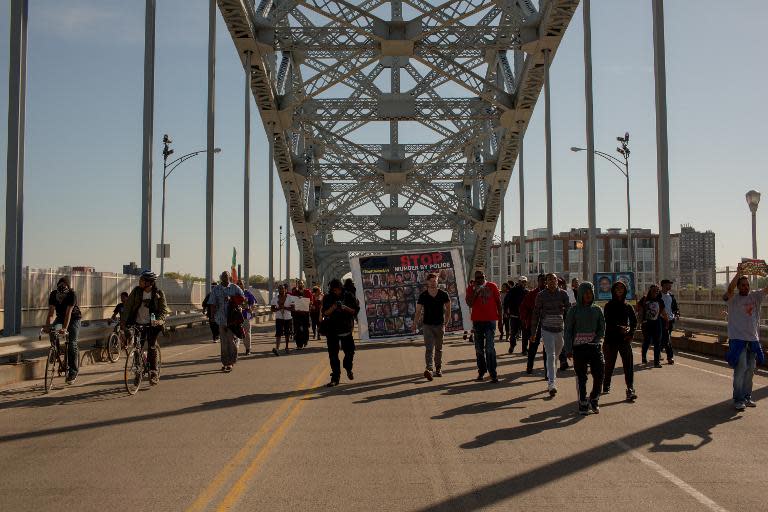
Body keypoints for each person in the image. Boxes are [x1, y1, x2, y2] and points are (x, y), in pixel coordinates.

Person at [723, 272, 768, 411]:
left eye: (747, 285)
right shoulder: (733, 299)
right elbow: (729, 290)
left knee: (750, 370)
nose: (746, 287)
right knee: (741, 369)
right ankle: (738, 399)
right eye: (742, 285)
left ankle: (747, 397)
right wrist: (738, 273)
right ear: (738, 287)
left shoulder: (755, 296)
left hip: (753, 340)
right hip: (738, 340)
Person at [121, 270, 169, 385]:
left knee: (152, 346)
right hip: (138, 323)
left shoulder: (158, 293)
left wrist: (159, 321)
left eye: (142, 280)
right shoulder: (137, 292)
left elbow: (163, 311)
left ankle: (153, 372)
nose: (140, 281)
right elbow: (128, 307)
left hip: (153, 324)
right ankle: (139, 372)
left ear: (149, 282)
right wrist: (123, 322)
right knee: (138, 348)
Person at [564, 282, 606, 415]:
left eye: (590, 293)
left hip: (594, 347)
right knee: (582, 377)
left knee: (599, 374)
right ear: (581, 294)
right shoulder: (574, 310)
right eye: (586, 293)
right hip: (579, 349)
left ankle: (594, 398)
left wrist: (597, 338)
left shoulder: (597, 309)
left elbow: (602, 328)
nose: (588, 295)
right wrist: (568, 348)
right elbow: (568, 330)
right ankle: (583, 401)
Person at [531, 273, 570, 396]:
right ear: (546, 282)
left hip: (560, 329)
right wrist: (533, 332)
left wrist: (570, 330)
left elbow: (569, 312)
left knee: (556, 356)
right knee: (551, 355)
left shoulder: (563, 294)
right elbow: (536, 313)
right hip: (546, 329)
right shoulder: (541, 295)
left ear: (557, 281)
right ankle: (551, 383)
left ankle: (551, 373)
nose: (552, 281)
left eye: (554, 279)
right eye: (549, 280)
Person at [602, 281, 638, 401]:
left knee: (628, 365)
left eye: (622, 288)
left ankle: (630, 388)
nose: (619, 289)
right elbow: (608, 321)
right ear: (613, 290)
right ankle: (606, 384)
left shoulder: (628, 306)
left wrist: (631, 333)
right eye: (617, 288)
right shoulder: (608, 305)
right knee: (609, 365)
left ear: (625, 290)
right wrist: (619, 328)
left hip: (624, 340)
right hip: (611, 339)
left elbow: (634, 322)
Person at [465, 270, 503, 383]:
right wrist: (475, 291)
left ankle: (493, 373)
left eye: (481, 277)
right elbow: (469, 303)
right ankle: (481, 371)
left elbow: (499, 303)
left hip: (490, 321)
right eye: (477, 278)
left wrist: (500, 320)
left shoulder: (492, 286)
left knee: (490, 348)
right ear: (475, 279)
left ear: (485, 277)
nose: (480, 280)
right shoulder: (471, 288)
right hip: (477, 321)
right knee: (479, 348)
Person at [44, 277, 83, 384]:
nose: (60, 299)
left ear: (68, 289)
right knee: (52, 331)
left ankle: (73, 372)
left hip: (74, 318)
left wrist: (65, 328)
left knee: (72, 344)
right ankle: (56, 350)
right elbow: (51, 313)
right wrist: (48, 326)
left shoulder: (72, 295)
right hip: (60, 317)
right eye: (59, 297)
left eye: (62, 297)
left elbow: (68, 313)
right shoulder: (53, 295)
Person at [322, 278, 360, 387]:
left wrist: (345, 307)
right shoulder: (328, 297)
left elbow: (355, 311)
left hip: (346, 329)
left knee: (350, 352)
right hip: (332, 330)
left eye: (338, 289)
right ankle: (335, 377)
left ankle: (348, 368)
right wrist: (333, 307)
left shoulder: (348, 296)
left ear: (341, 288)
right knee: (333, 355)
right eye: (334, 290)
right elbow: (325, 312)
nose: (336, 292)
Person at [415, 272, 451, 381]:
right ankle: (429, 369)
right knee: (429, 348)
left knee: (439, 348)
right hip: (427, 325)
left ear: (437, 281)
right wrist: (414, 323)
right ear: (427, 282)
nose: (433, 282)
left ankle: (438, 368)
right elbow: (418, 311)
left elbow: (448, 309)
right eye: (431, 281)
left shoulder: (443, 294)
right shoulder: (423, 295)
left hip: (440, 324)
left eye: (435, 281)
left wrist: (446, 322)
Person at [210, 271, 244, 372]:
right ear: (221, 278)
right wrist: (212, 316)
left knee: (231, 340)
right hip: (221, 319)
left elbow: (243, 299)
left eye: (226, 276)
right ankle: (225, 363)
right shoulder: (216, 289)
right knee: (224, 342)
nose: (225, 278)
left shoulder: (234, 288)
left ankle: (231, 362)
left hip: (232, 319)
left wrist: (232, 299)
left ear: (229, 277)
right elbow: (212, 303)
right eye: (223, 276)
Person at [637, 284, 668, 368]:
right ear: (650, 291)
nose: (656, 292)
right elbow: (639, 309)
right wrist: (640, 321)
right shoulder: (644, 299)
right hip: (646, 324)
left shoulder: (660, 301)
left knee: (657, 342)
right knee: (647, 341)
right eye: (654, 290)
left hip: (657, 324)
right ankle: (643, 356)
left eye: (657, 290)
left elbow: (663, 312)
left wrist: (667, 320)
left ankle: (656, 362)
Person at [520, 274, 546, 369]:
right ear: (538, 282)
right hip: (535, 323)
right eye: (541, 280)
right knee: (533, 345)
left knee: (547, 348)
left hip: (548, 324)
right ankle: (530, 365)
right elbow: (523, 307)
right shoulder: (532, 293)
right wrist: (524, 319)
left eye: (545, 280)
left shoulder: (551, 293)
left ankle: (547, 370)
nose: (543, 283)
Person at [503, 276, 528, 354]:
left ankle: (524, 349)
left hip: (524, 317)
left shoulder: (527, 292)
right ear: (519, 282)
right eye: (522, 281)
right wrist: (506, 311)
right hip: (514, 315)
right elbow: (506, 301)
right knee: (513, 333)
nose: (524, 283)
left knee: (525, 333)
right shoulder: (512, 291)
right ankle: (512, 345)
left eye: (525, 282)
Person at [660, 279, 680, 364]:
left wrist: (677, 314)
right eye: (669, 284)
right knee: (667, 338)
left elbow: (675, 307)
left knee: (665, 338)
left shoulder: (671, 296)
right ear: (664, 285)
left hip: (671, 320)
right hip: (662, 320)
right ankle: (670, 357)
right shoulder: (658, 295)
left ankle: (658, 350)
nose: (670, 286)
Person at [271, 284, 294, 355]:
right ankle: (277, 348)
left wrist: (284, 307)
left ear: (285, 290)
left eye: (283, 289)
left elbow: (293, 308)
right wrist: (278, 308)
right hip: (279, 318)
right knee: (278, 333)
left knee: (287, 333)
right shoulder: (275, 299)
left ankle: (287, 347)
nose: (281, 290)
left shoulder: (290, 298)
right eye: (280, 289)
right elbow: (272, 309)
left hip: (288, 318)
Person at [291, 279, 313, 349]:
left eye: (301, 283)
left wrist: (306, 301)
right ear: (297, 285)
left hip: (305, 313)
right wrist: (297, 300)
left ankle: (305, 340)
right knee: (298, 329)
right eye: (299, 283)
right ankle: (299, 344)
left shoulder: (307, 292)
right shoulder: (295, 292)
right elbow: (292, 302)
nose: (300, 284)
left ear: (304, 284)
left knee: (305, 328)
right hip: (297, 313)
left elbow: (311, 301)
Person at [238, 281, 256, 356]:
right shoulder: (235, 293)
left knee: (246, 333)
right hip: (236, 317)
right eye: (238, 284)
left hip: (246, 316)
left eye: (241, 284)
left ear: (244, 285)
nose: (239, 285)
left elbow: (253, 303)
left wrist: (250, 308)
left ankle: (248, 349)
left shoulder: (248, 293)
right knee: (235, 334)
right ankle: (235, 349)